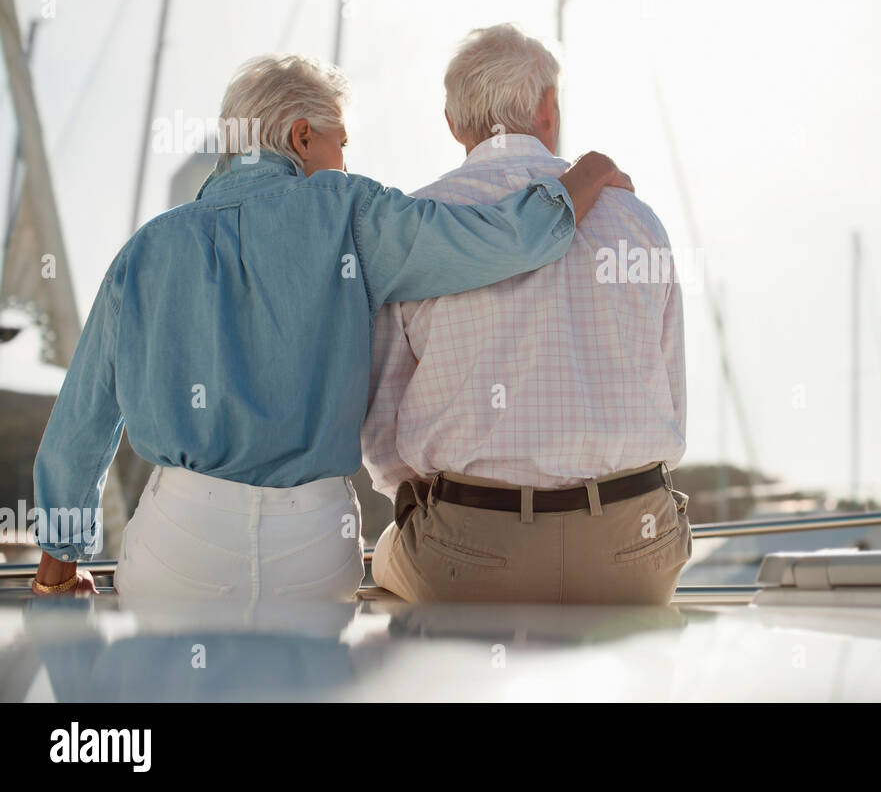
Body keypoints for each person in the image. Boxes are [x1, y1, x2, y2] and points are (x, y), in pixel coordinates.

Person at [30, 53, 632, 603]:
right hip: (311, 544)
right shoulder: (352, 213)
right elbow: (500, 240)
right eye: (339, 144)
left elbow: (80, 427)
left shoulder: (144, 250)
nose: (346, 161)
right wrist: (583, 177)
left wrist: (58, 570)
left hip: (179, 543)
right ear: (300, 136)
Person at [362, 24, 688, 605]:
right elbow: (671, 399)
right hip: (633, 549)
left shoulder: (418, 227)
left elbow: (384, 437)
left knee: (386, 562)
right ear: (547, 108)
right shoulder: (639, 222)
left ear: (454, 123)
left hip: (472, 553)